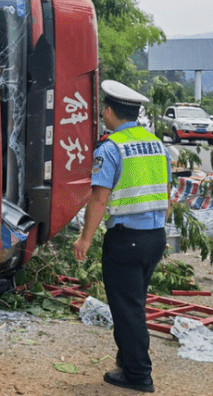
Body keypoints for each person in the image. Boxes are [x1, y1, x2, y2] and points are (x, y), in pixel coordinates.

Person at [73, 80, 171, 394]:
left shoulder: (112, 147)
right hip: (155, 237)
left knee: (127, 309)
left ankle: (139, 376)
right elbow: (166, 189)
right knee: (134, 303)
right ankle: (128, 362)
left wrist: (85, 239)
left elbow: (99, 198)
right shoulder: (157, 144)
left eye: (104, 108)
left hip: (126, 240)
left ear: (109, 110)